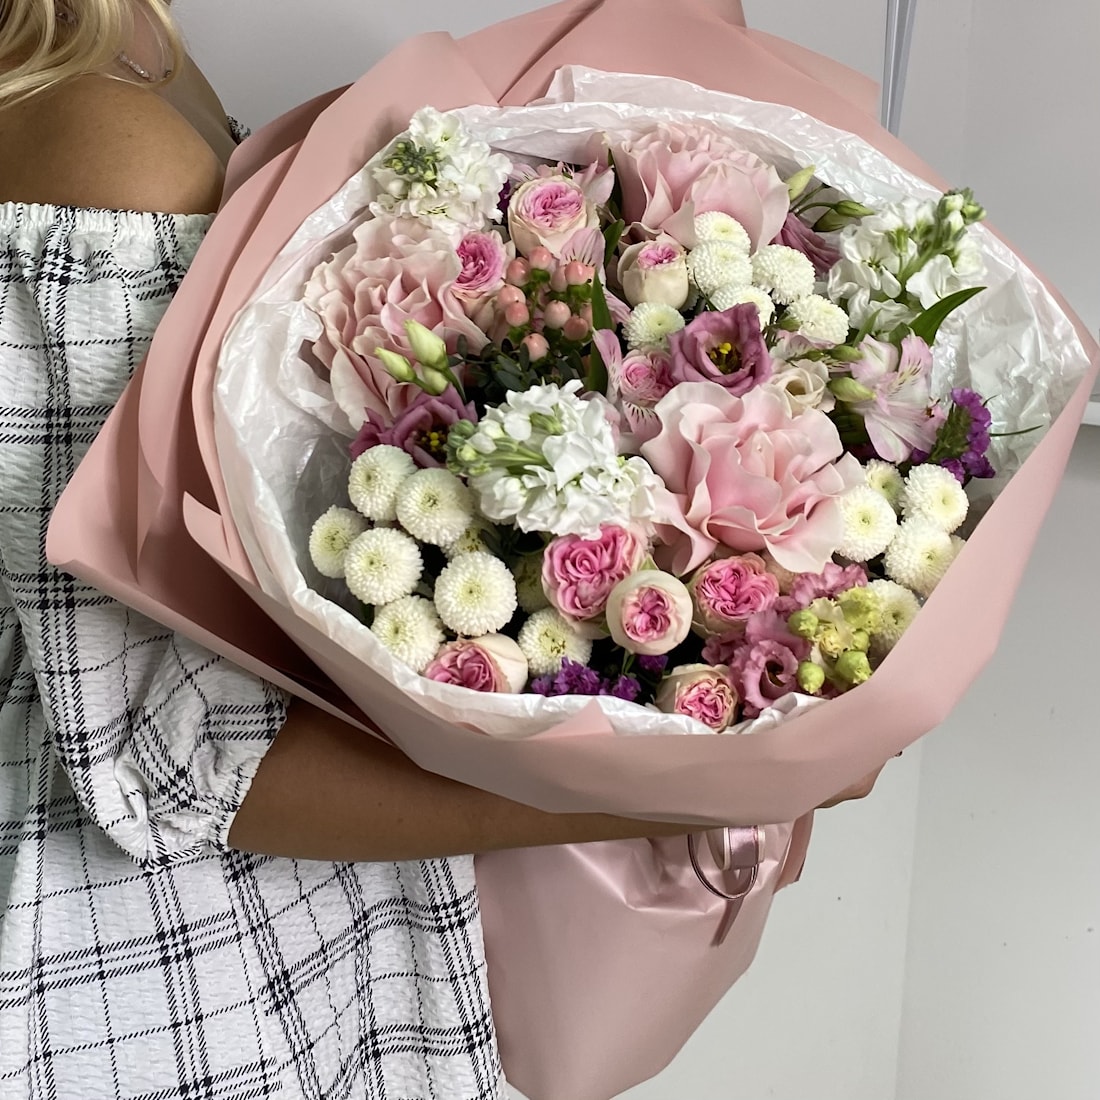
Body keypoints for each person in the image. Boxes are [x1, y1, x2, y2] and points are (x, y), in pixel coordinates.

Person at [0, 2, 881, 1096]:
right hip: (177, 994)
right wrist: (712, 779)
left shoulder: (120, 51)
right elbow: (171, 766)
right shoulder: (94, 137)